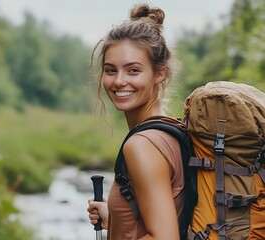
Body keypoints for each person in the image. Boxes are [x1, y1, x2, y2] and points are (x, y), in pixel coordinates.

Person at [87, 3, 185, 240]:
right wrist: (118, 217)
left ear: (159, 73)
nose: (119, 81)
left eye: (133, 70)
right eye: (111, 70)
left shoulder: (142, 145)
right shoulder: (173, 129)